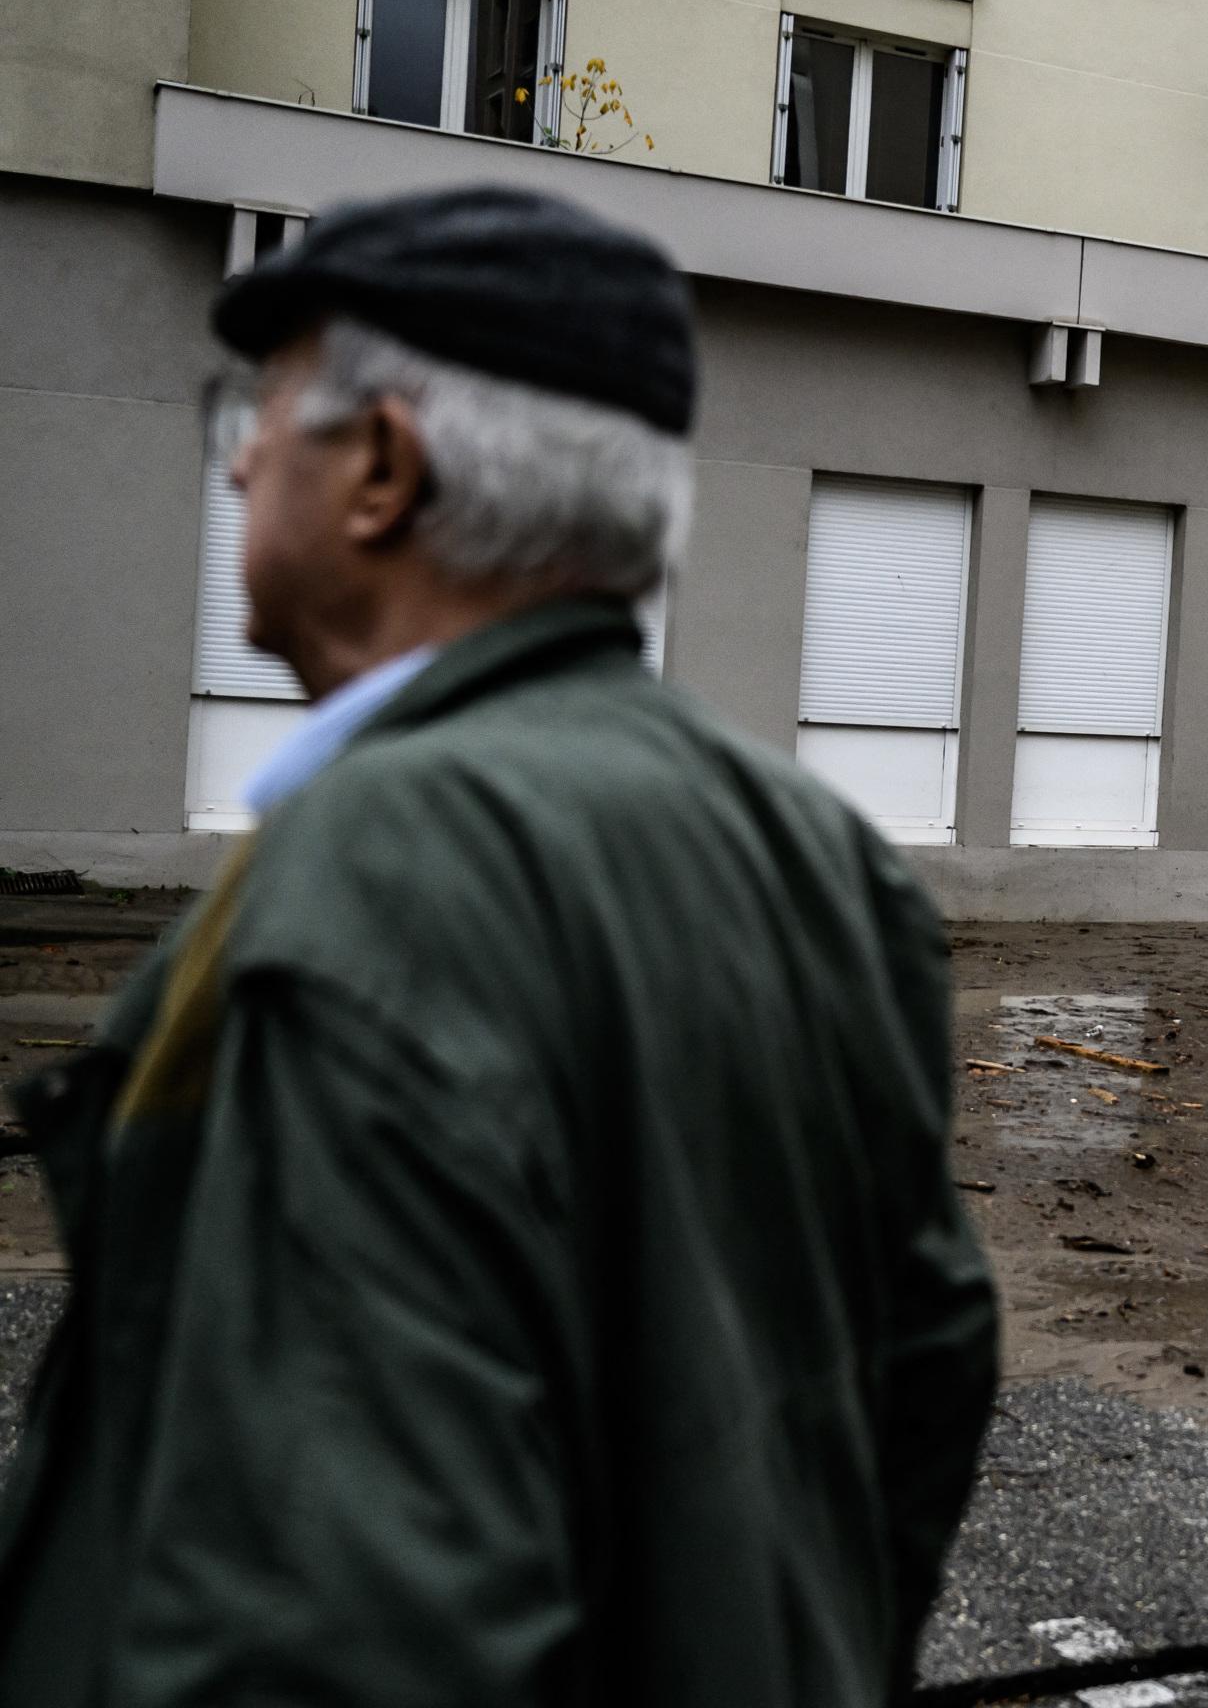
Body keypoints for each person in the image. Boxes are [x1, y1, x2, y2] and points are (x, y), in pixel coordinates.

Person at [0, 186, 1000, 1704]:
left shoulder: (380, 865)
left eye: (260, 413)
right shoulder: (825, 854)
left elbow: (334, 1620)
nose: (246, 457)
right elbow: (926, 1366)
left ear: (383, 469)